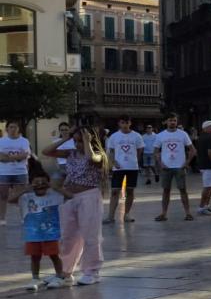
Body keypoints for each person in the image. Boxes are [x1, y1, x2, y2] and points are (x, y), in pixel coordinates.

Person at [43, 122, 105, 285]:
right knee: (68, 236)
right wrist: (67, 138)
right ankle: (65, 272)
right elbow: (46, 151)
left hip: (89, 196)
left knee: (90, 235)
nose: (77, 144)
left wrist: (87, 141)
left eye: (81, 141)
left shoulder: (98, 154)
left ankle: (92, 271)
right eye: (76, 141)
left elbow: (92, 158)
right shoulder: (70, 153)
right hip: (70, 197)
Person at [19, 172, 65, 289]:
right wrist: (25, 190)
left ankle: (60, 276)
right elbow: (10, 199)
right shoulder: (26, 197)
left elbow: (70, 195)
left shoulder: (54, 195)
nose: (40, 185)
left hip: (51, 233)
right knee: (34, 256)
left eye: (43, 183)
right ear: (31, 184)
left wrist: (55, 187)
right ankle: (35, 278)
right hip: (33, 233)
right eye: (36, 183)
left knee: (54, 255)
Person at [152, 113, 195, 222]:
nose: (172, 122)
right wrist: (160, 163)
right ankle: (163, 213)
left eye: (174, 120)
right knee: (166, 190)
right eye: (170, 120)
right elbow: (156, 151)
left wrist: (187, 162)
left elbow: (193, 150)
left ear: (177, 122)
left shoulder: (183, 134)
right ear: (166, 121)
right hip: (166, 167)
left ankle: (188, 213)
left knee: (183, 190)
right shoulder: (160, 135)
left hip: (179, 166)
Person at [104, 115, 143, 224]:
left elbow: (140, 150)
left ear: (130, 123)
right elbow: (110, 151)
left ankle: (127, 214)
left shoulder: (137, 136)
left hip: (132, 167)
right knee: (115, 191)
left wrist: (135, 161)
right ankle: (110, 216)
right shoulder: (114, 136)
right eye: (122, 122)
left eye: (127, 122)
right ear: (119, 123)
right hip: (118, 167)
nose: (125, 125)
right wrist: (113, 162)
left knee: (130, 191)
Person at [0, 119, 32, 226]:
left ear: (19, 129)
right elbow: (1, 158)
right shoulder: (1, 141)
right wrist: (17, 157)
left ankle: (24, 217)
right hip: (4, 172)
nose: (13, 129)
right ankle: (2, 219)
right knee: (3, 196)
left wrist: (8, 157)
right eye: (11, 127)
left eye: (15, 127)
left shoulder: (24, 141)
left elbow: (25, 155)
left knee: (22, 196)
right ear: (7, 129)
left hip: (20, 172)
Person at [193, 120, 211, 215]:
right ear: (207, 128)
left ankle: (206, 205)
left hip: (204, 164)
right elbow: (210, 152)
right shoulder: (209, 138)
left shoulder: (202, 137)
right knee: (208, 186)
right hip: (209, 165)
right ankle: (201, 207)